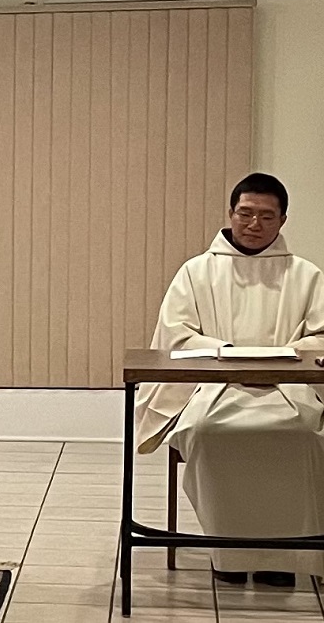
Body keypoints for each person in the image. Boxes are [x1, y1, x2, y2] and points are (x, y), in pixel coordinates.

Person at [136, 172, 324, 587]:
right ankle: (227, 551)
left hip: (289, 390)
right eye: (246, 213)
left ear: (283, 220)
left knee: (304, 431)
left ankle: (286, 557)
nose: (255, 225)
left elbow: (321, 337)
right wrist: (230, 355)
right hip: (214, 388)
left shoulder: (306, 274)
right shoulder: (197, 272)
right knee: (207, 429)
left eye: (266, 216)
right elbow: (177, 335)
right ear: (230, 213)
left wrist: (280, 360)